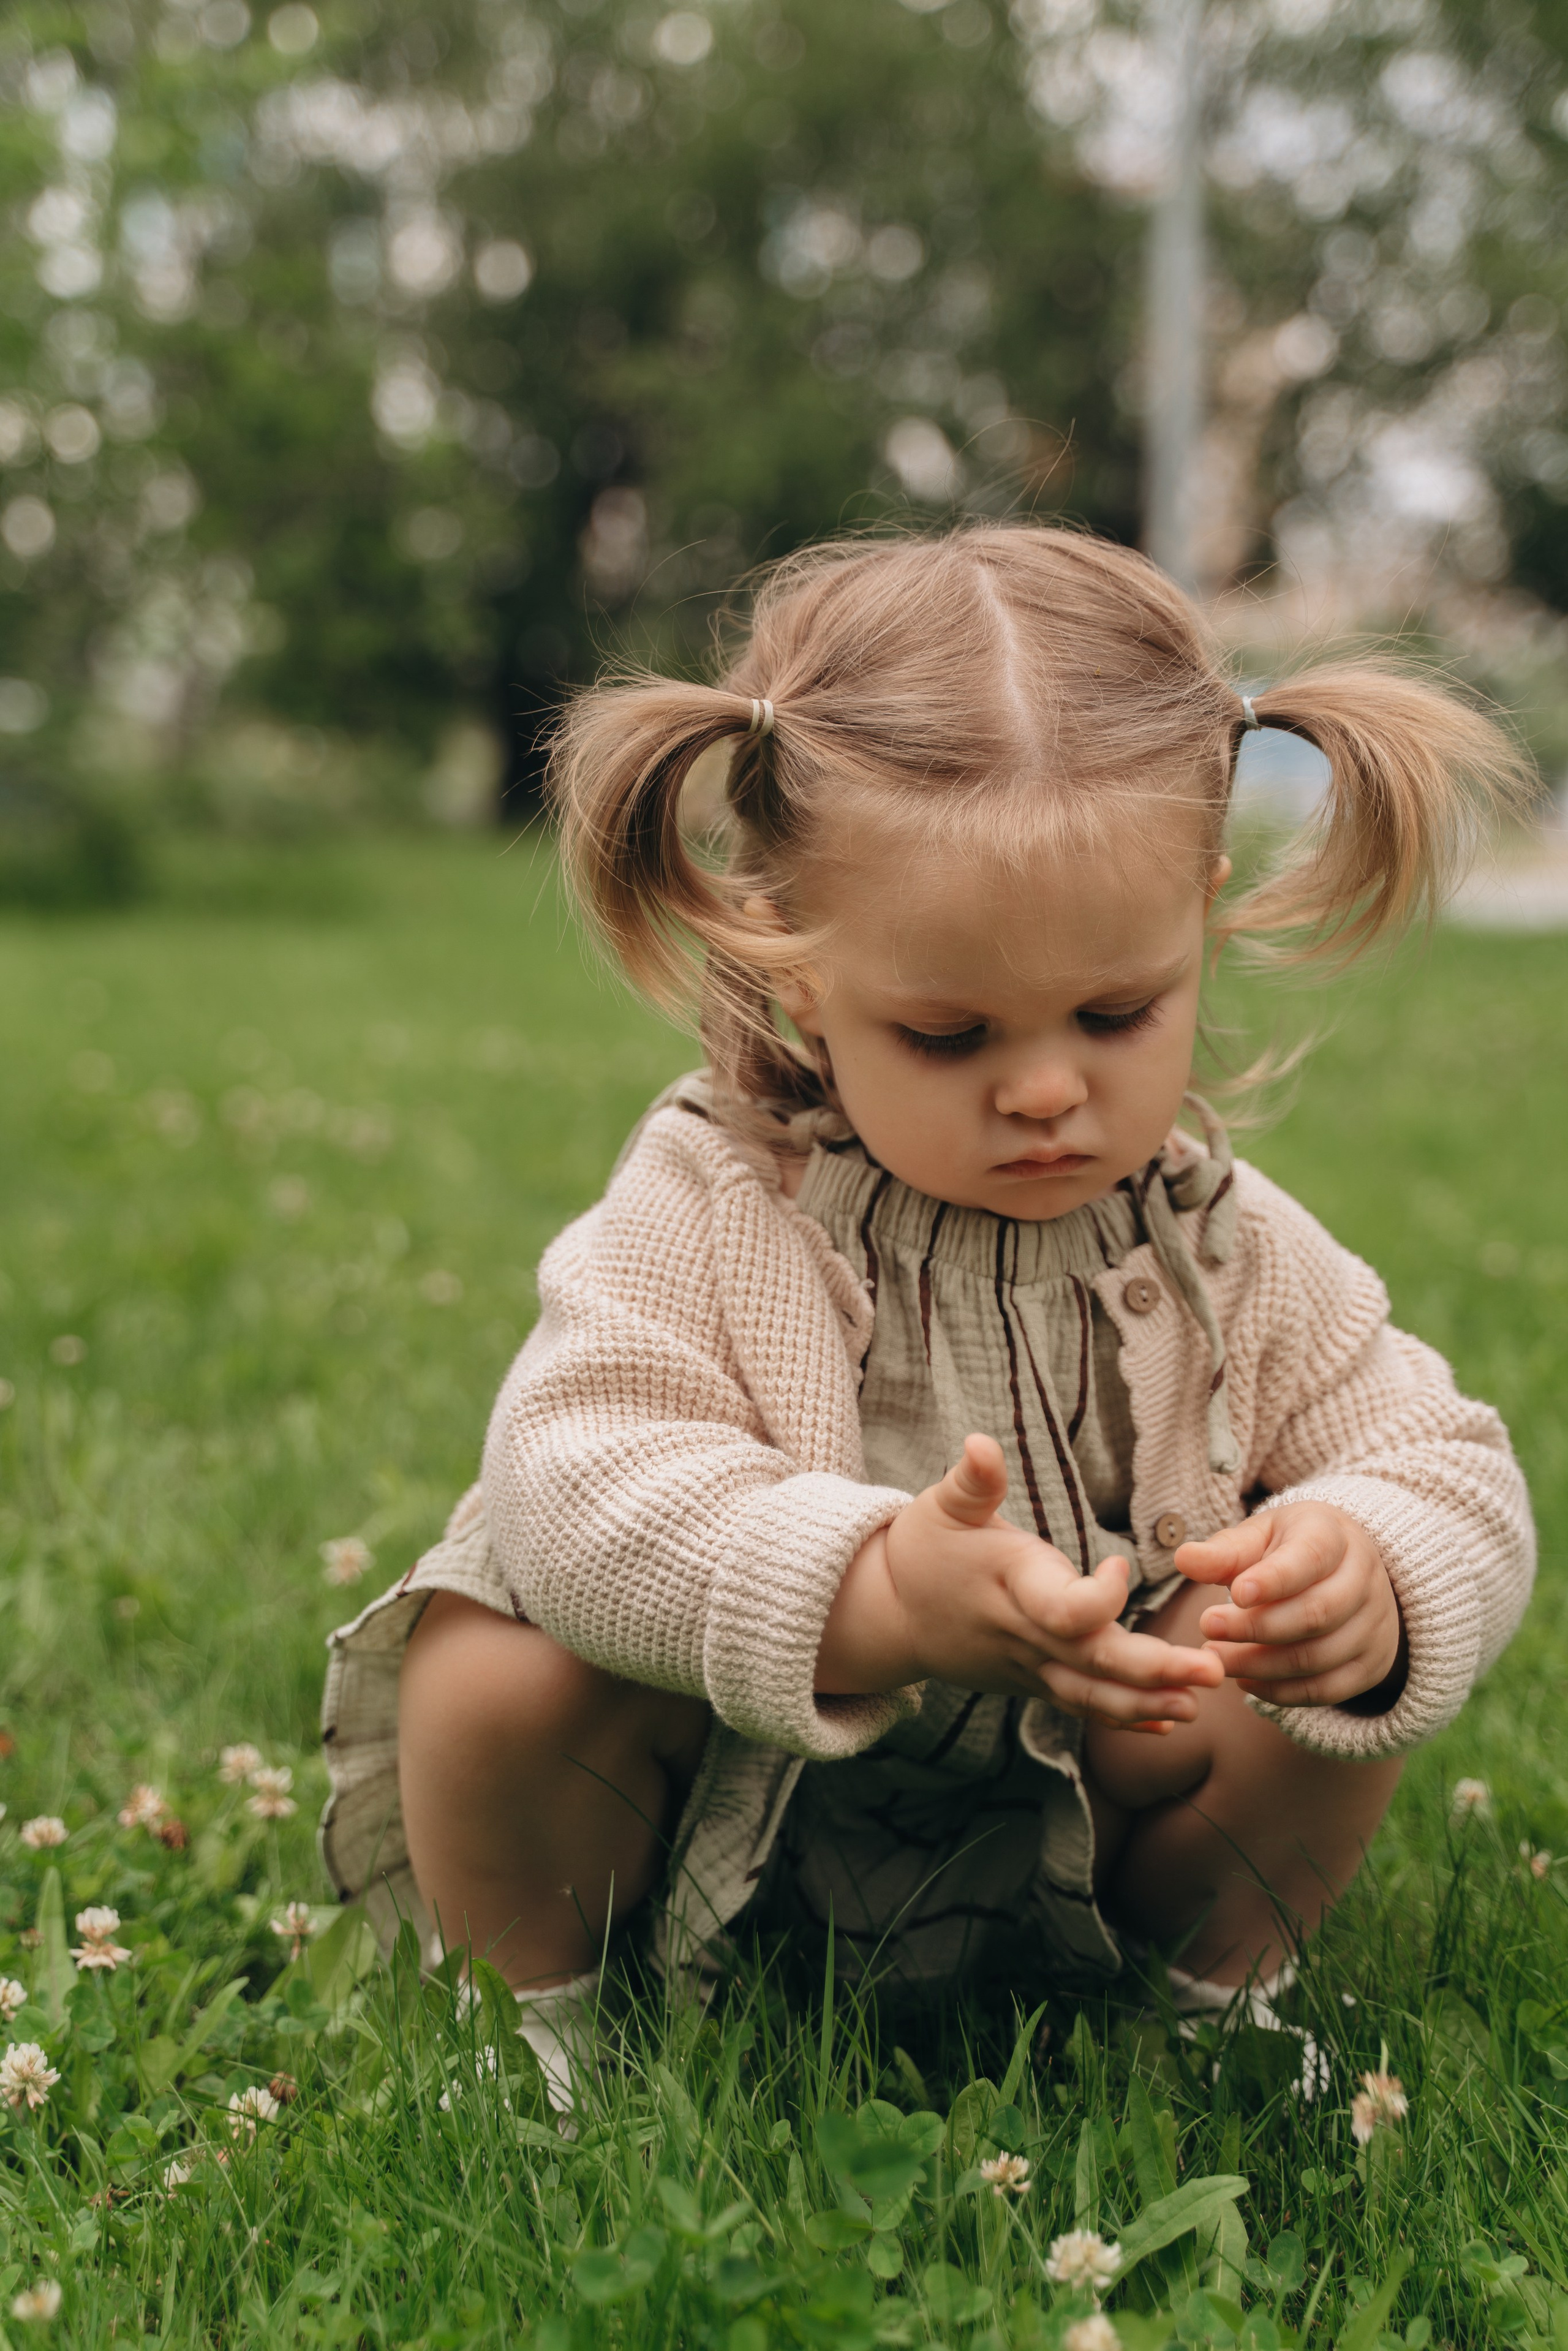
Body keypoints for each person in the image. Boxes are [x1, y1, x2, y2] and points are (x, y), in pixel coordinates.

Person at [320, 526, 1534, 2107]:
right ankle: (533, 2028)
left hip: (1080, 1830)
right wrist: (872, 1590)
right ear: (799, 974)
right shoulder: (716, 1204)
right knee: (492, 1657)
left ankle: (1208, 2000)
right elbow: (568, 1486)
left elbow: (1449, 1459)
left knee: (1279, 1665)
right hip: (730, 1811)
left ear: (1200, 915)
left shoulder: (1221, 1247)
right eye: (951, 1034)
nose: (1045, 1089)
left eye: (1117, 1011)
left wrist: (1375, 1574)